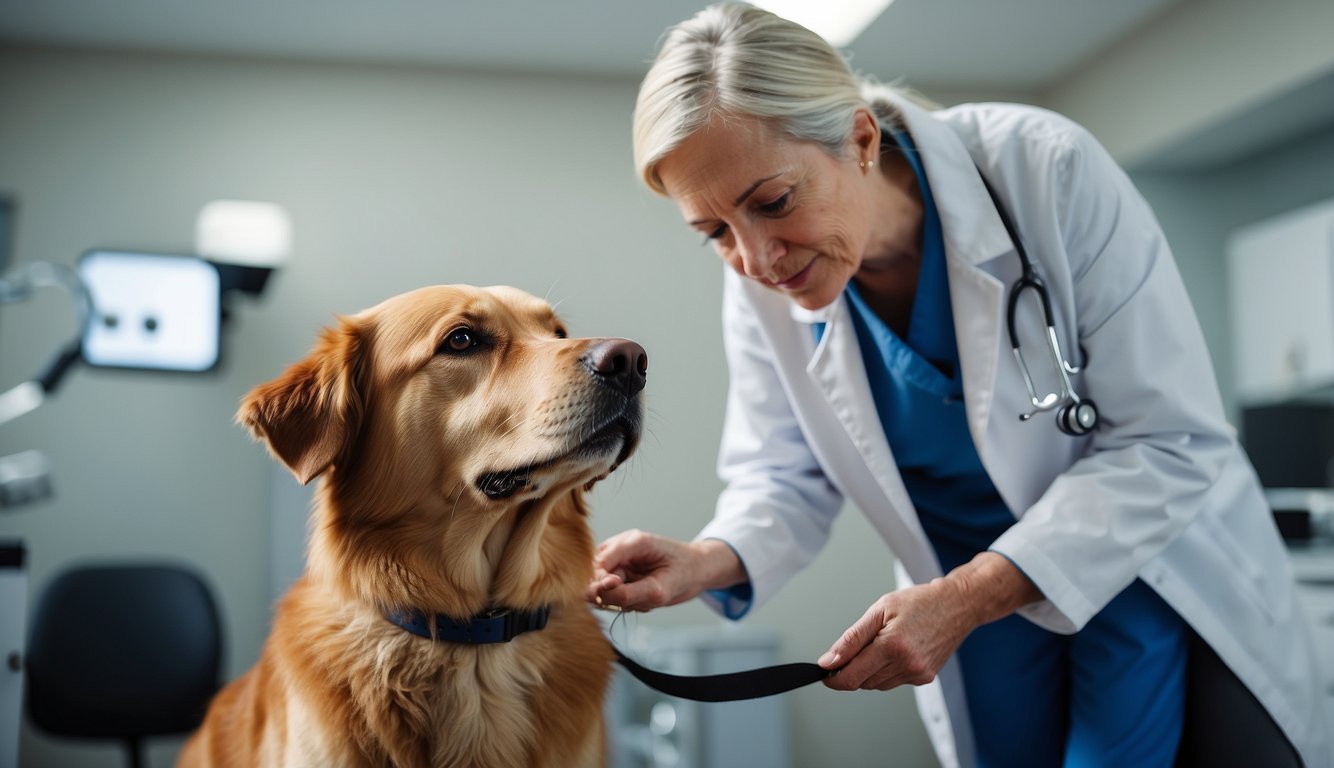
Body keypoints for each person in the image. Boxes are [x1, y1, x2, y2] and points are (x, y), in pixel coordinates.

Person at [586, 3, 1330, 767]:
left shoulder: (1045, 170)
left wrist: (973, 594)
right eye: (713, 233)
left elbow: (1166, 439)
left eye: (774, 203)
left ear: (861, 139)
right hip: (970, 610)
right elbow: (784, 475)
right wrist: (706, 559)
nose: (757, 258)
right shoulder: (760, 281)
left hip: (1125, 559)